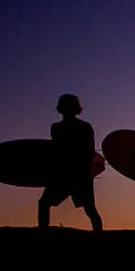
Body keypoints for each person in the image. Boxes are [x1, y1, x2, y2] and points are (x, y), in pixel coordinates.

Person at [39, 93, 104, 231]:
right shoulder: (58, 127)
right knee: (44, 203)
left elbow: (87, 151)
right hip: (67, 173)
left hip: (78, 173)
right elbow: (56, 151)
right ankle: (42, 235)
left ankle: (99, 236)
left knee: (90, 208)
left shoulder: (82, 127)